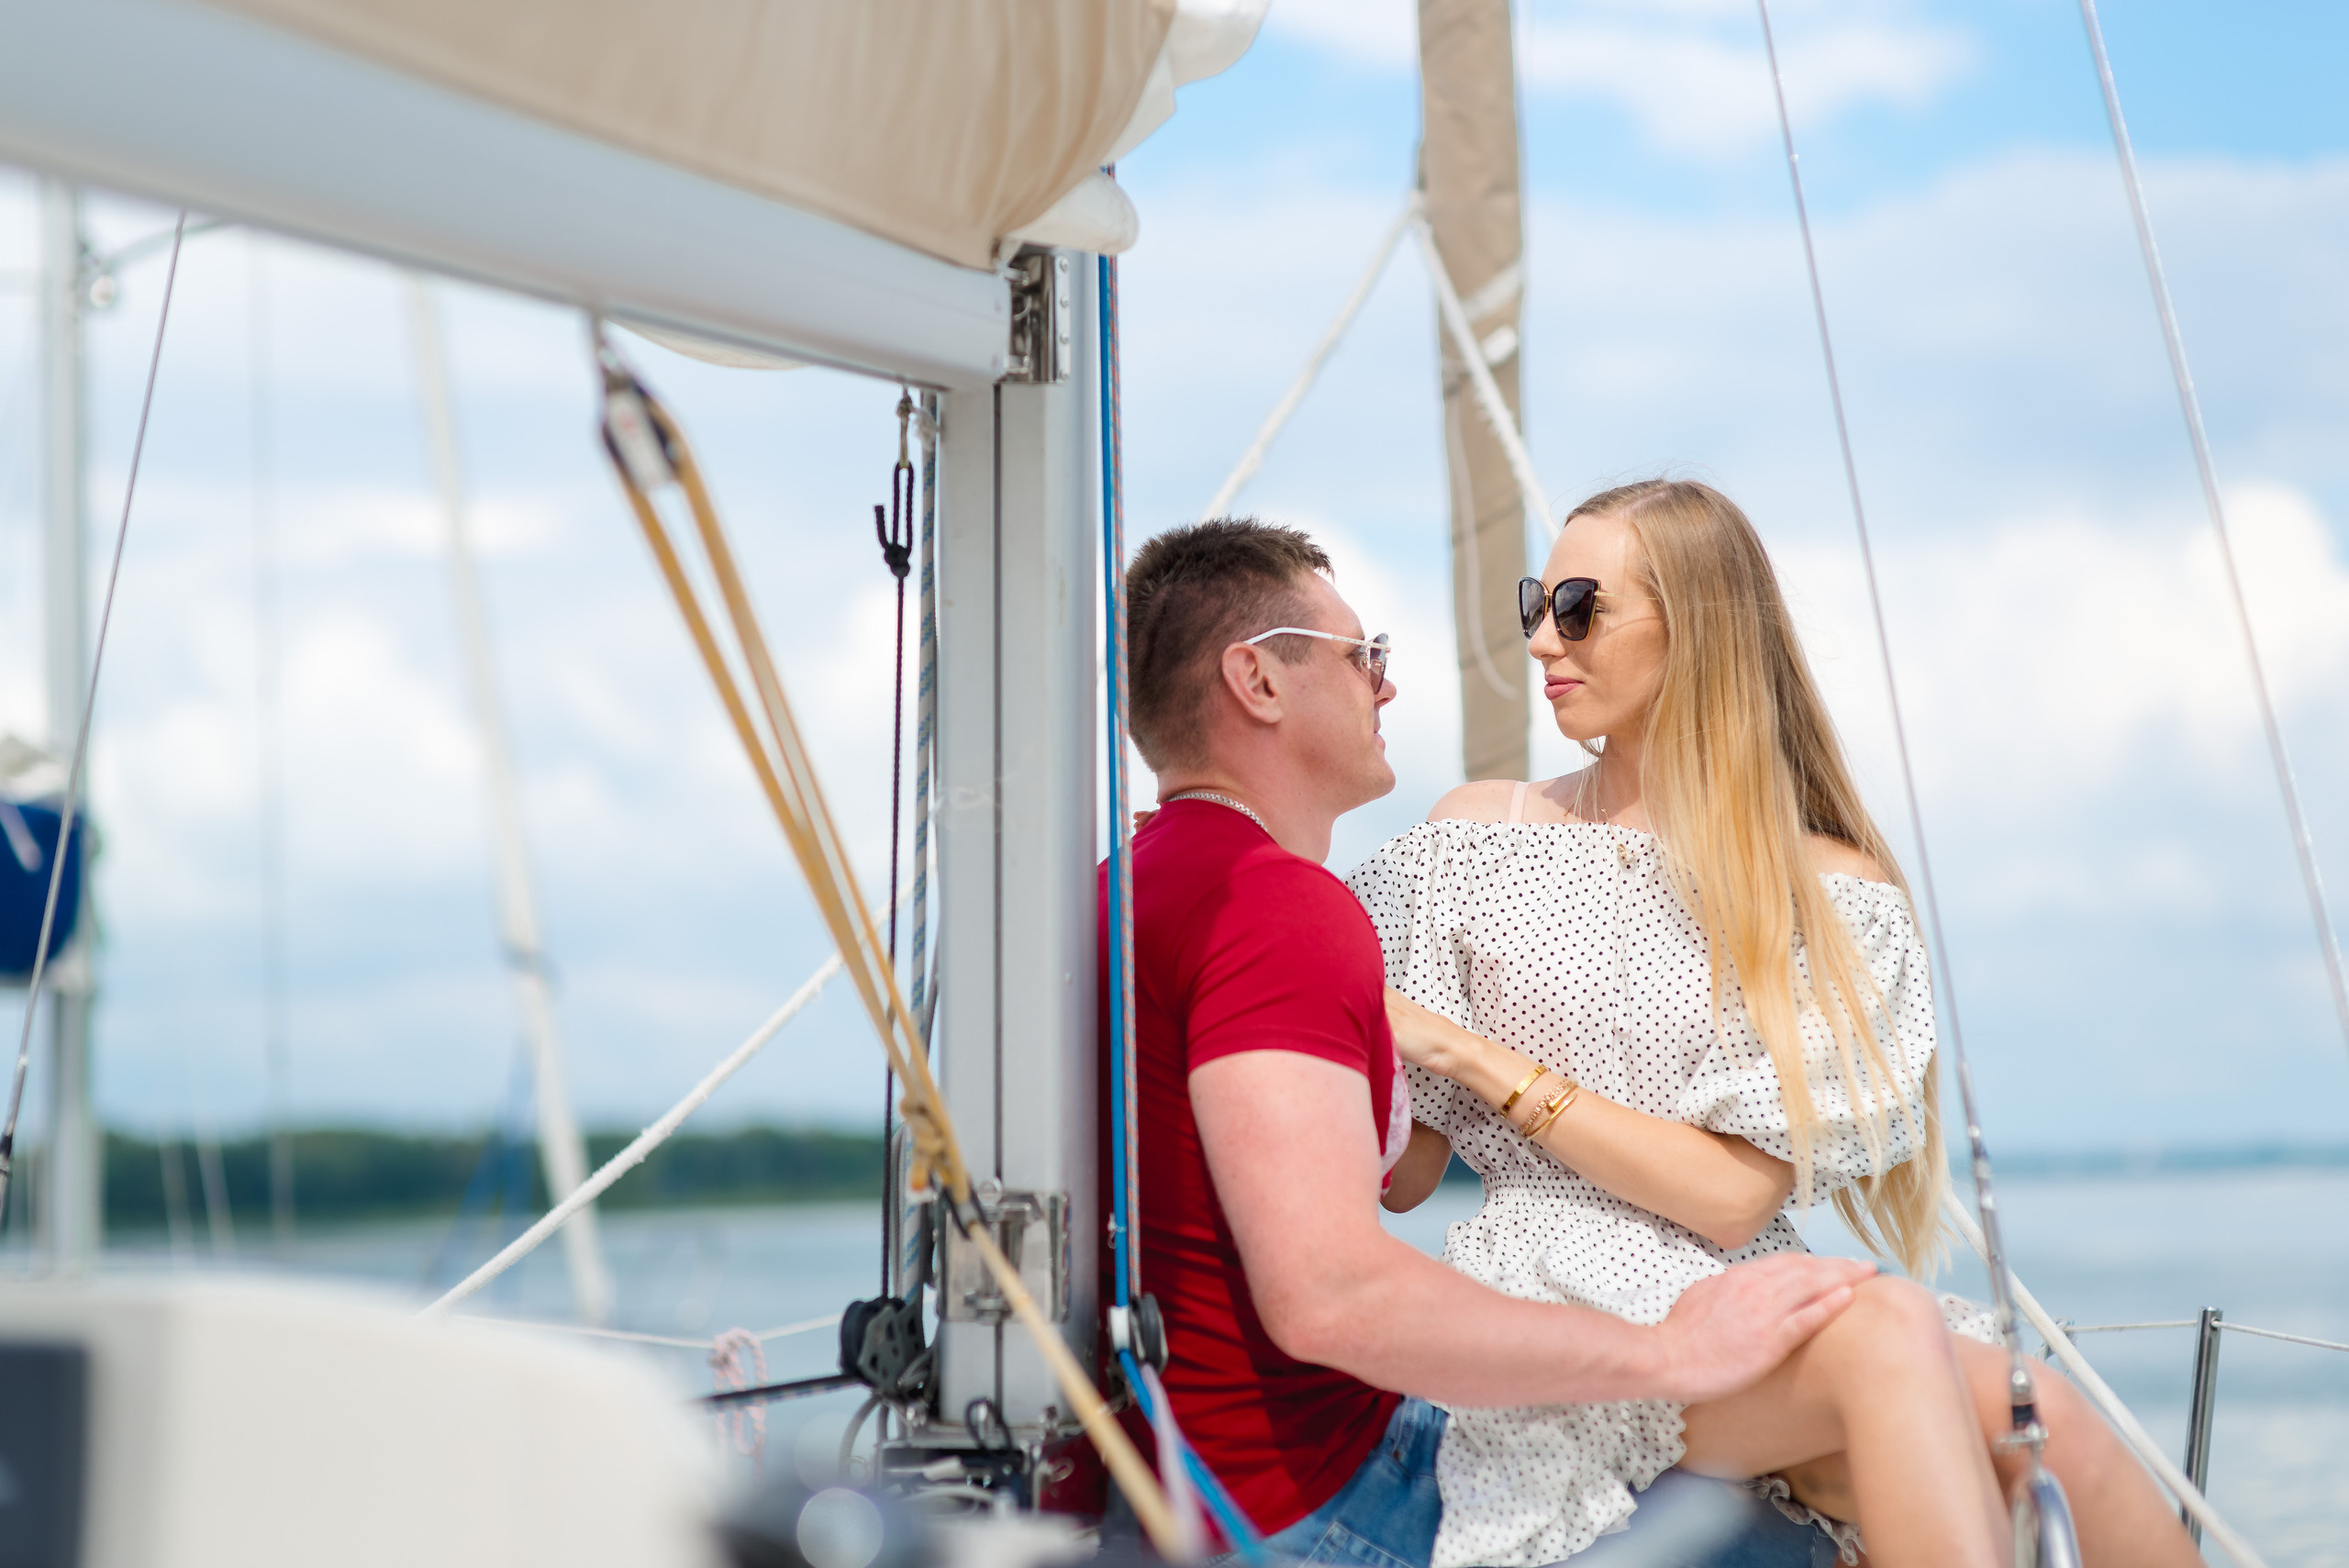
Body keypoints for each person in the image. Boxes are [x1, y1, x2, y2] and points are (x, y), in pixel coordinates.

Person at [1352, 480, 2198, 1567]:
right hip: (1558, 1304)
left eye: (1577, 606)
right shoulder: (1465, 837)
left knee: (2057, 1433)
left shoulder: (1828, 889)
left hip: (1748, 1292)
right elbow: (1402, 1172)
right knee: (1901, 1345)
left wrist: (1467, 1050)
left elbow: (1726, 1196)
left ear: (1695, 625)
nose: (1538, 638)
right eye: (1534, 601)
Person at [1100, 517, 1876, 1567]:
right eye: (1360, 656)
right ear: (1258, 682)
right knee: (1793, 1539)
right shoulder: (1277, 907)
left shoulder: (1114, 892)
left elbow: (1390, 1180)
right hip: (1303, 1500)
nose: (1385, 686)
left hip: (1150, 1487)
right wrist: (1664, 1351)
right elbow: (1332, 1294)